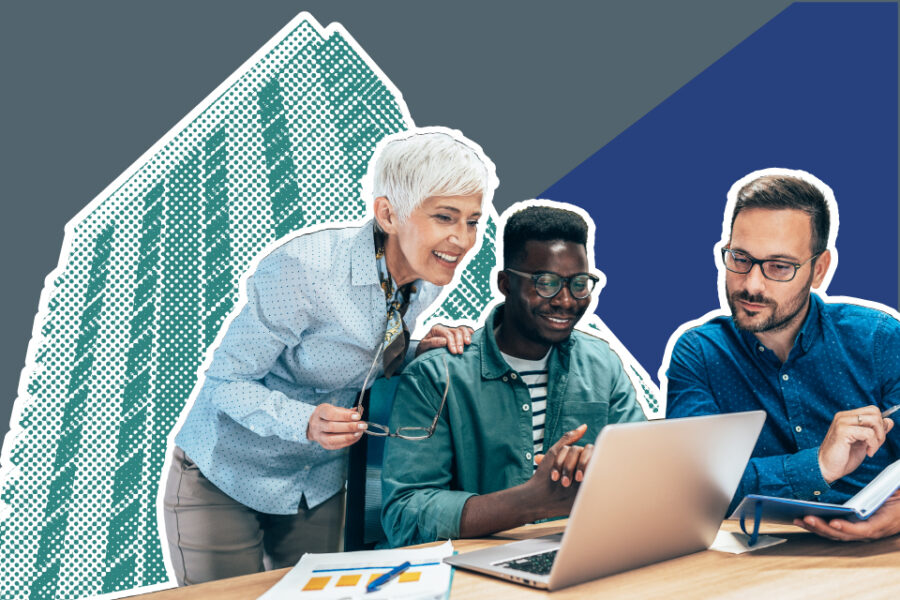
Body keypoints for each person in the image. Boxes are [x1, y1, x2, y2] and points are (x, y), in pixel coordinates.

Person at [164, 129, 497, 584]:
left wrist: (423, 347)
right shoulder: (304, 271)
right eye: (445, 217)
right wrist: (304, 421)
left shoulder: (430, 274)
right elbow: (227, 383)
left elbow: (365, 351)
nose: (462, 240)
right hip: (224, 474)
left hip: (315, 484)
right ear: (388, 214)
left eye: (473, 221)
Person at [381, 202, 647, 548]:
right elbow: (404, 514)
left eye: (579, 283)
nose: (566, 301)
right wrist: (530, 502)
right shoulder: (436, 376)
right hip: (471, 573)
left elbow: (645, 471)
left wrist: (607, 471)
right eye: (546, 282)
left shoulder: (602, 364)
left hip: (579, 553)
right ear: (505, 283)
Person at [664, 170, 900, 542]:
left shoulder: (879, 339)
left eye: (779, 266)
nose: (752, 284)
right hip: (750, 563)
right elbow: (692, 488)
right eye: (740, 258)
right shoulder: (700, 354)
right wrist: (818, 466)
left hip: (879, 557)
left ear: (818, 269)